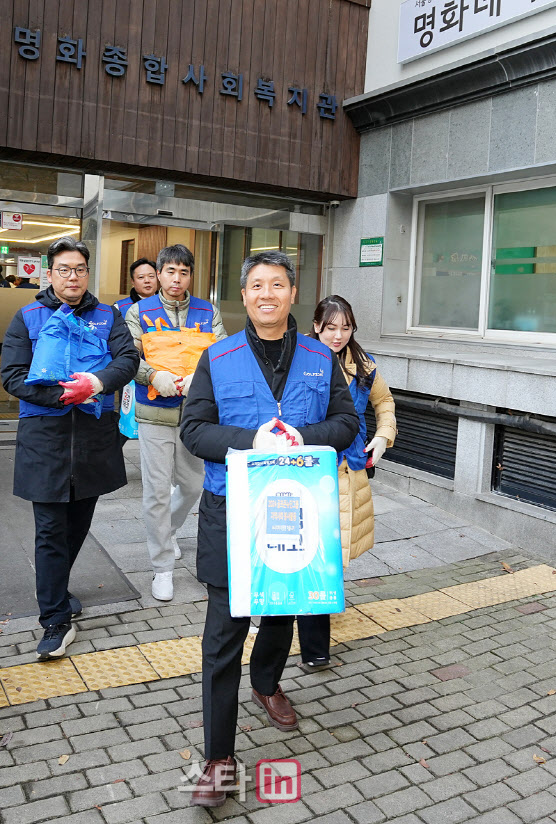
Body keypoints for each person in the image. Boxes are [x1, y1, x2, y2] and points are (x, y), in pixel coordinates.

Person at [180, 251, 359, 807]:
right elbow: (194, 430)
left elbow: (348, 423)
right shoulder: (218, 355)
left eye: (276, 285)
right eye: (256, 285)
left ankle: (266, 683)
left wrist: (299, 437)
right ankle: (217, 757)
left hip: (295, 513)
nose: (266, 294)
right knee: (222, 635)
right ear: (245, 294)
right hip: (230, 511)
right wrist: (250, 441)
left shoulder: (319, 357)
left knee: (281, 614)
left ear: (291, 293)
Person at [1, 236, 139, 660]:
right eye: (64, 269)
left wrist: (94, 385)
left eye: (79, 268)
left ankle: (57, 590)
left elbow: (127, 360)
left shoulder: (107, 316)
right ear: (50, 273)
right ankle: (55, 621)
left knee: (77, 527)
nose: (72, 276)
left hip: (94, 442)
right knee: (49, 532)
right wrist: (66, 396)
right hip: (45, 440)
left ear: (87, 272)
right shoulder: (28, 316)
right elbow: (12, 376)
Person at [297, 295, 397, 669]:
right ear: (317, 326)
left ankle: (314, 626)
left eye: (346, 327)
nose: (338, 335)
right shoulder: (299, 357)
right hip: (306, 465)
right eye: (331, 327)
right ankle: (310, 640)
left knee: (330, 555)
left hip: (348, 468)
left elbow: (384, 401)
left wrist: (384, 436)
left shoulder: (363, 364)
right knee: (312, 550)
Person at [125, 244, 226, 602]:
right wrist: (153, 375)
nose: (176, 279)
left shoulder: (207, 311)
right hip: (154, 414)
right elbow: (125, 357)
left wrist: (198, 380)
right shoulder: (139, 312)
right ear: (158, 273)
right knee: (155, 490)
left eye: (184, 272)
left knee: (193, 483)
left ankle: (166, 533)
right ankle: (162, 568)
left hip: (196, 415)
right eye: (170, 271)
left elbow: (222, 354)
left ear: (190, 275)